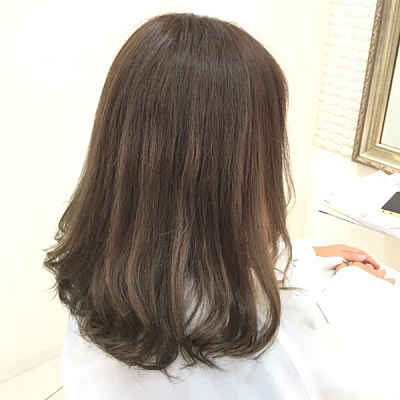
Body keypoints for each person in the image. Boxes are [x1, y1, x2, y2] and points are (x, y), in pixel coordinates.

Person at [44, 13, 400, 399]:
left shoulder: (98, 286)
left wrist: (300, 254)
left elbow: (196, 257)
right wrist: (361, 295)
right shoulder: (270, 344)